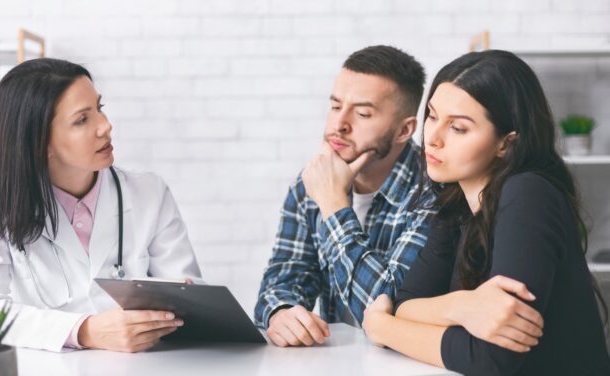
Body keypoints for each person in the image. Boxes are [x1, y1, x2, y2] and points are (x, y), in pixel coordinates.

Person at [362, 49, 610, 375]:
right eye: (433, 116)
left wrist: (380, 328)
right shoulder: (454, 205)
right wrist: (461, 307)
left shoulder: (529, 194)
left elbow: (491, 358)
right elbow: (406, 305)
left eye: (458, 128)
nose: (432, 139)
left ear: (506, 143)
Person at [0, 58, 202, 353]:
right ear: (40, 142)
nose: (105, 126)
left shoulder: (148, 193)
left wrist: (179, 303)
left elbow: (190, 298)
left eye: (99, 109)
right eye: (81, 120)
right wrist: (84, 330)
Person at [254, 45, 436, 347]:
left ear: (405, 130)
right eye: (336, 106)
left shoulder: (432, 191)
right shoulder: (308, 185)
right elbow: (284, 278)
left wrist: (333, 204)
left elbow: (388, 310)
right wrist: (281, 312)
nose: (339, 125)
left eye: (363, 113)